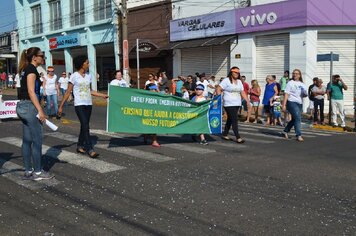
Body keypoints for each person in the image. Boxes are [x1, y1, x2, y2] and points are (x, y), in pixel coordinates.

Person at [58, 55, 108, 158]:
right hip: (79, 104)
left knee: (84, 126)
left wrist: (103, 95)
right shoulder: (74, 76)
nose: (88, 64)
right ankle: (90, 149)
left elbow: (90, 91)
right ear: (82, 64)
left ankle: (80, 145)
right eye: (87, 63)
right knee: (86, 126)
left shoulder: (88, 76)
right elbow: (68, 92)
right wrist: (61, 106)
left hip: (88, 104)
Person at [16, 47, 54, 180]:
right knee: (37, 140)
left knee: (27, 140)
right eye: (41, 56)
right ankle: (38, 172)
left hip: (22, 105)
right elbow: (32, 92)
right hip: (30, 107)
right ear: (34, 57)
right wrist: (40, 110)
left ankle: (28, 170)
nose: (43, 58)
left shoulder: (25, 69)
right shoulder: (31, 70)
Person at [216, 67, 250, 144]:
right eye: (235, 72)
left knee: (230, 119)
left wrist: (247, 101)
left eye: (238, 72)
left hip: (237, 103)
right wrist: (220, 98)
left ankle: (225, 134)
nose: (236, 74)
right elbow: (218, 89)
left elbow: (242, 92)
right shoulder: (226, 80)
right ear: (231, 72)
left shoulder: (239, 81)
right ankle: (238, 137)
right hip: (228, 104)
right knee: (234, 119)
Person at [282, 69, 308, 142]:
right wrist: (284, 105)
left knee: (295, 119)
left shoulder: (302, 84)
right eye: (293, 73)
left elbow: (305, 95)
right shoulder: (290, 83)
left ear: (299, 75)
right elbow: (286, 94)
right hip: (291, 102)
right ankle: (298, 135)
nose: (295, 75)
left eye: (296, 73)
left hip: (299, 103)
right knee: (298, 118)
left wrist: (305, 94)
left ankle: (285, 131)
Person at [144, 83, 161, 147]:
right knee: (147, 125)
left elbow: (162, 96)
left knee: (154, 126)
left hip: (154, 113)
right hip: (147, 113)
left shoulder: (156, 95)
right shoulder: (145, 96)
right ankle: (148, 138)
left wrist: (157, 90)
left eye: (155, 89)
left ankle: (154, 140)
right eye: (154, 89)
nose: (155, 90)